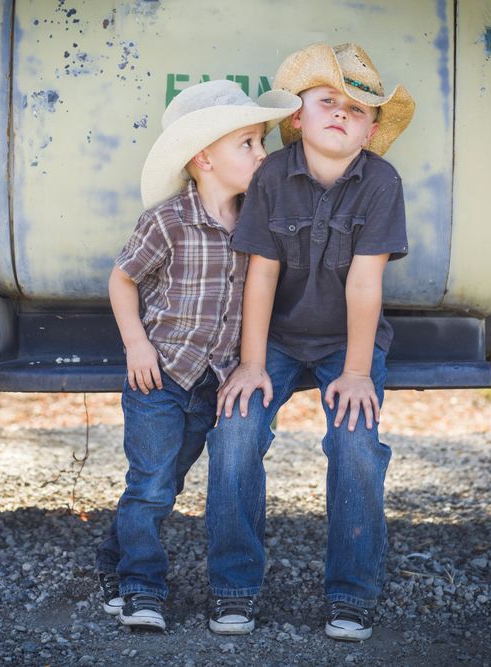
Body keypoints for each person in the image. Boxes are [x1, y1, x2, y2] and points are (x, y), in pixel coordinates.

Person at [204, 42, 415, 641]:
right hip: (273, 338)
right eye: (328, 101)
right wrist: (249, 363)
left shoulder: (380, 183)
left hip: (346, 341)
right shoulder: (272, 175)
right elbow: (261, 274)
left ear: (372, 130)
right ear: (298, 117)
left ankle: (351, 595)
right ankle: (233, 590)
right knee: (236, 432)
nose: (342, 113)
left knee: (354, 443)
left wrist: (355, 373)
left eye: (357, 108)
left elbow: (366, 283)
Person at [94, 79, 300, 631]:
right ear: (203, 158)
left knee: (168, 481)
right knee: (152, 485)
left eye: (261, 143)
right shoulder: (167, 220)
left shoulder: (254, 224)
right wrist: (135, 343)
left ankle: (113, 562)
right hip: (158, 378)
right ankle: (142, 588)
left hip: (213, 381)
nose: (263, 154)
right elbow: (122, 279)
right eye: (249, 144)